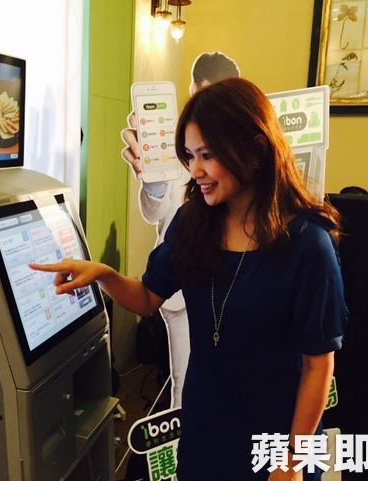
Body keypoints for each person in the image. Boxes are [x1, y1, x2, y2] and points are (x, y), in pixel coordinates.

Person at [31, 78, 348, 480]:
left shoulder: (307, 244)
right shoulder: (193, 222)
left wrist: (293, 459)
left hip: (277, 442)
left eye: (208, 155)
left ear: (255, 150)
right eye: (190, 155)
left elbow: (318, 365)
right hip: (205, 432)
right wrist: (104, 276)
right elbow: (148, 297)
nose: (195, 171)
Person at [120, 51, 241, 408]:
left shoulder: (240, 146)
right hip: (180, 281)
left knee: (232, 383)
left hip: (234, 284)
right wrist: (154, 180)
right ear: (193, 89)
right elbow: (154, 211)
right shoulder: (177, 140)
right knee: (186, 389)